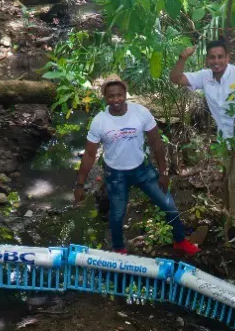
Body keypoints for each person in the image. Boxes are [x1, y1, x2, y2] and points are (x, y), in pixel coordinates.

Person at [73, 79, 200, 256]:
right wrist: (80, 184)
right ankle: (119, 250)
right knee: (117, 215)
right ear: (105, 97)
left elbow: (156, 142)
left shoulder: (140, 112)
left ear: (125, 95)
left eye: (119, 95)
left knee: (169, 205)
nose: (116, 99)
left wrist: (163, 173)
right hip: (116, 174)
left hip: (143, 170)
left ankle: (180, 241)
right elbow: (89, 154)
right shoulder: (100, 121)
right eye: (111, 96)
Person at [169, 40, 235, 249]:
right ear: (207, 60)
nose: (216, 61)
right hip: (227, 141)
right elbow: (175, 78)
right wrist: (182, 58)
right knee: (233, 183)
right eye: (212, 57)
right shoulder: (205, 77)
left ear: (228, 58)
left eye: (220, 57)